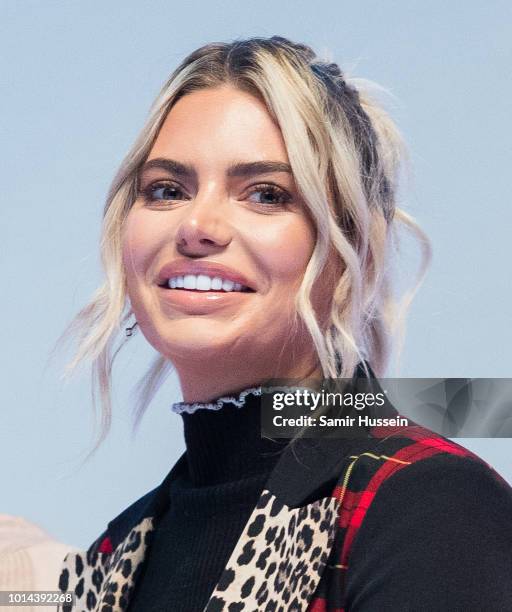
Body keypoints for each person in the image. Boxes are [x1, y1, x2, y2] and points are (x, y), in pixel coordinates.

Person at [55, 36, 512, 611]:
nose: (198, 225)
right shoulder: (112, 558)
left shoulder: (426, 502)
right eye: (166, 190)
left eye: (266, 195)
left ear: (353, 251)